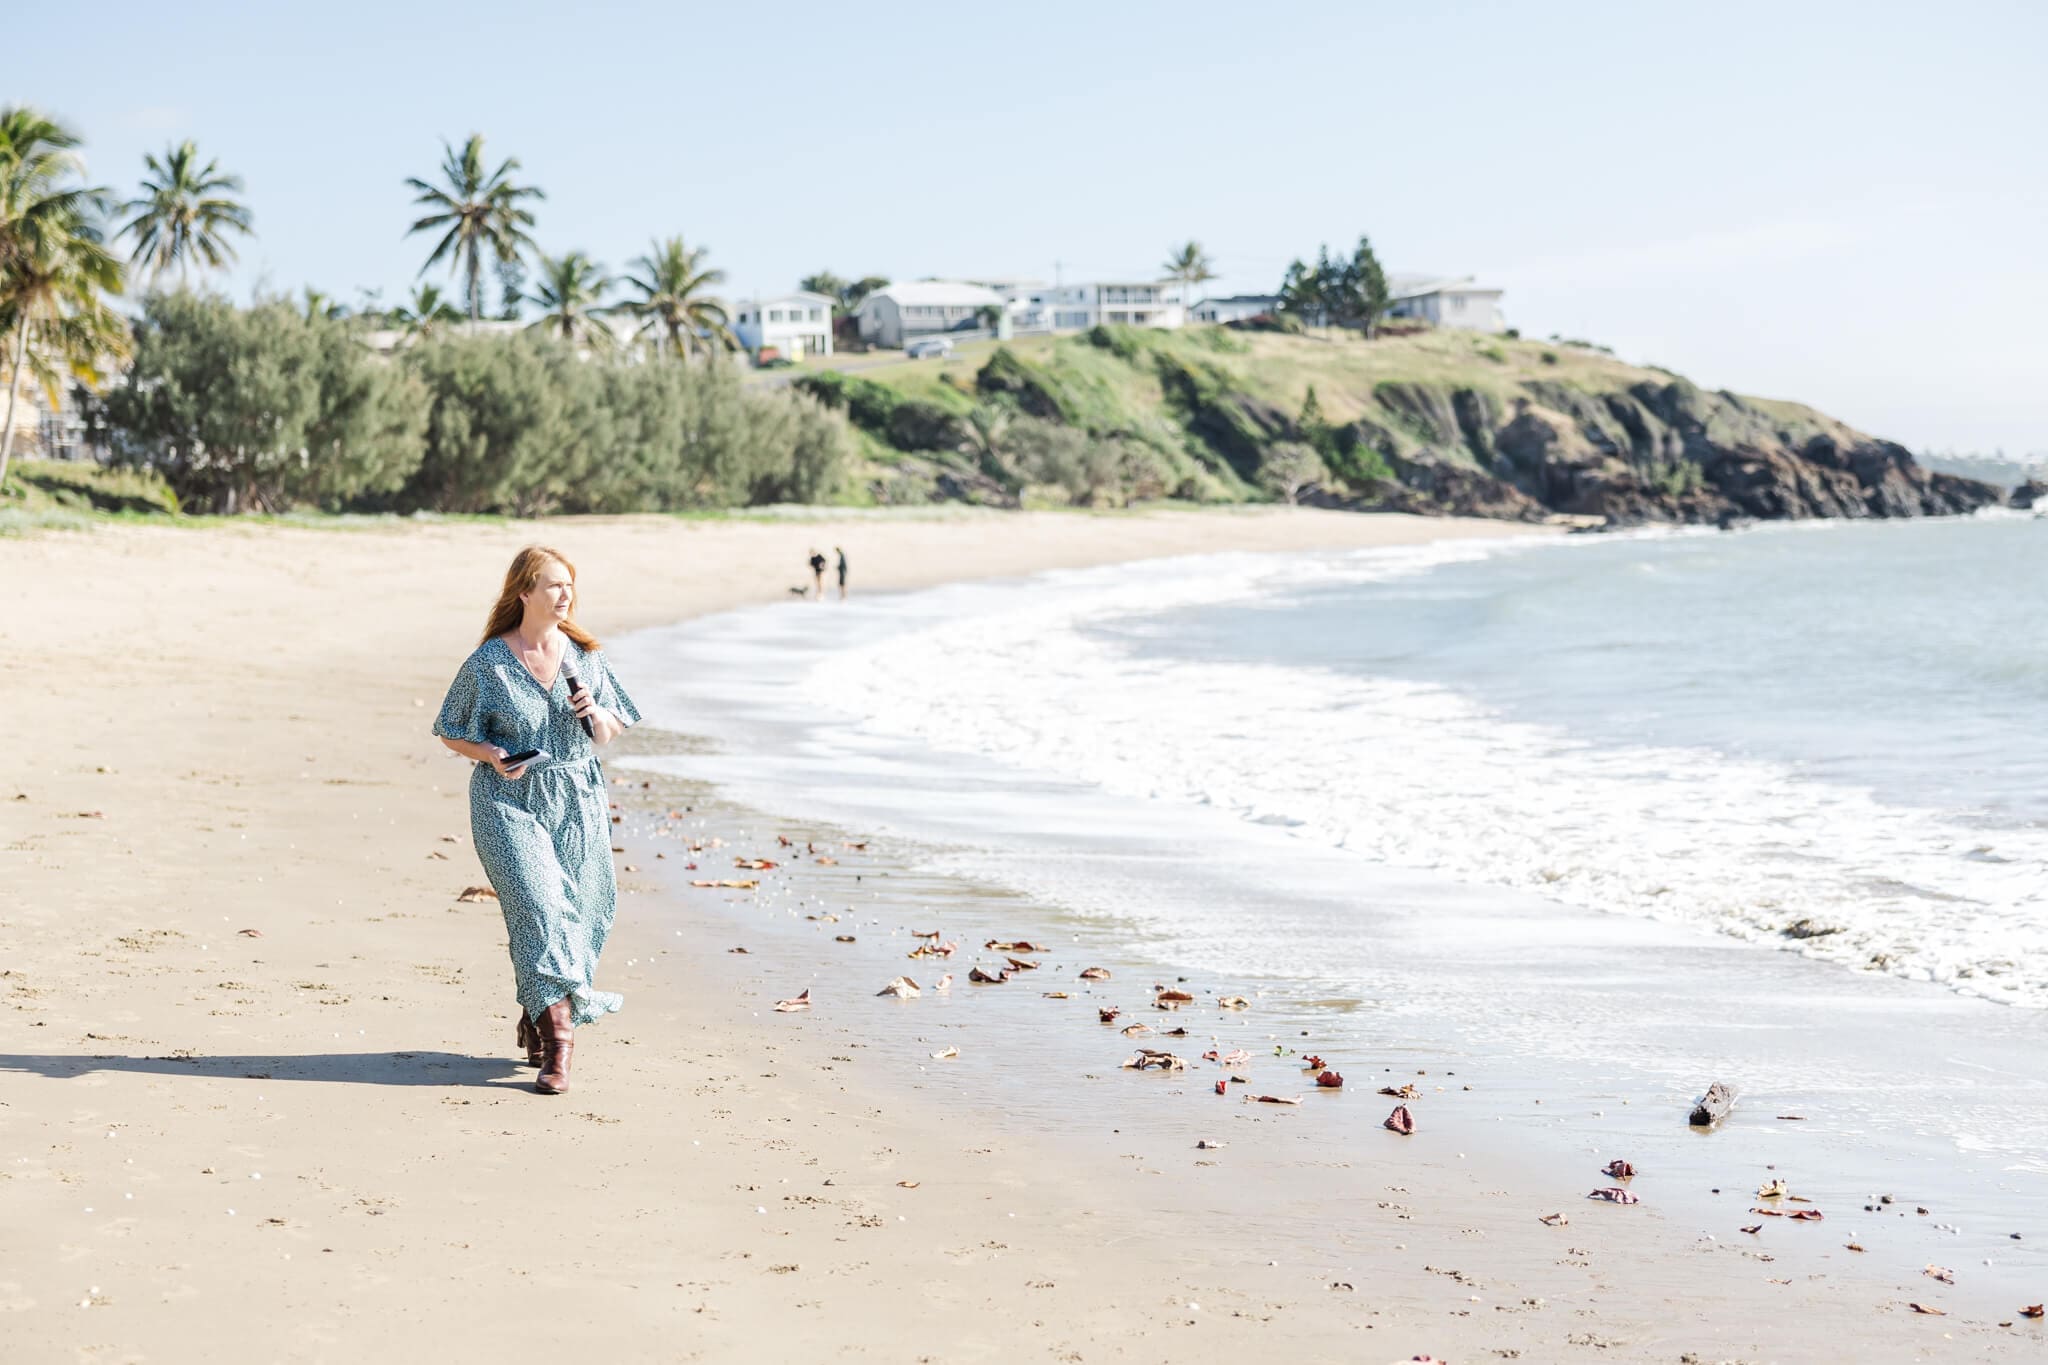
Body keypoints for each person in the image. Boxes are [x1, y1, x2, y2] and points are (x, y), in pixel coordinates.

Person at [432, 545, 641, 1095]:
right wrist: (492, 756)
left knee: (586, 910)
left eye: (570, 584)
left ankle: (539, 1005)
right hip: (509, 802)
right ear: (524, 592)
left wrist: (596, 714)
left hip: (577, 800)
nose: (565, 594)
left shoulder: (585, 656)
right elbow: (451, 727)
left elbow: (611, 730)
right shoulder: (488, 662)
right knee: (541, 904)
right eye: (554, 585)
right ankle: (560, 1043)